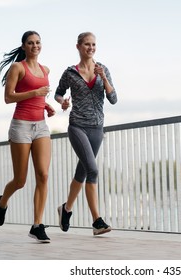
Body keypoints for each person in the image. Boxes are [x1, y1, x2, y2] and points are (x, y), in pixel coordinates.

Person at [0, 30, 55, 243]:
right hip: (21, 126)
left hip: (41, 127)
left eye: (38, 42)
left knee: (43, 175)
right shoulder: (17, 67)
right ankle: (2, 201)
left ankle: (37, 225)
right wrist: (35, 94)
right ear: (23, 46)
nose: (35, 45)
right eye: (30, 43)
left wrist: (47, 105)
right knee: (20, 180)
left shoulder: (46, 70)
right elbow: (9, 97)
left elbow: (38, 97)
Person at [54, 32, 117, 235]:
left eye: (93, 44)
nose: (91, 48)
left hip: (97, 128)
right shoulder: (70, 72)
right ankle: (97, 221)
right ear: (78, 47)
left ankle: (66, 209)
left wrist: (104, 78)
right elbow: (58, 92)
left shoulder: (103, 69)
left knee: (82, 173)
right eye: (87, 44)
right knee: (93, 170)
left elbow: (114, 99)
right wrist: (62, 102)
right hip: (77, 126)